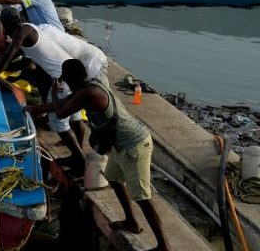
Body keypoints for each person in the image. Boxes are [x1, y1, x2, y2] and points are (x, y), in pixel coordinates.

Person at [31, 59, 170, 251]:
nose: (65, 83)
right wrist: (32, 109)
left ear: (72, 78)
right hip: (120, 145)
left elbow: (61, 111)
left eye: (66, 79)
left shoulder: (89, 93)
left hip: (134, 144)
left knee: (142, 196)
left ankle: (164, 245)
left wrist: (53, 94)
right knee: (113, 178)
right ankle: (131, 221)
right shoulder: (88, 87)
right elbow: (63, 104)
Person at [0, 22, 108, 167]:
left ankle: (79, 159)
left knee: (59, 123)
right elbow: (23, 61)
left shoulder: (22, 33)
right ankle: (78, 152)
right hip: (71, 76)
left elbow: (8, 57)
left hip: (64, 78)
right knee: (74, 117)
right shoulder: (34, 30)